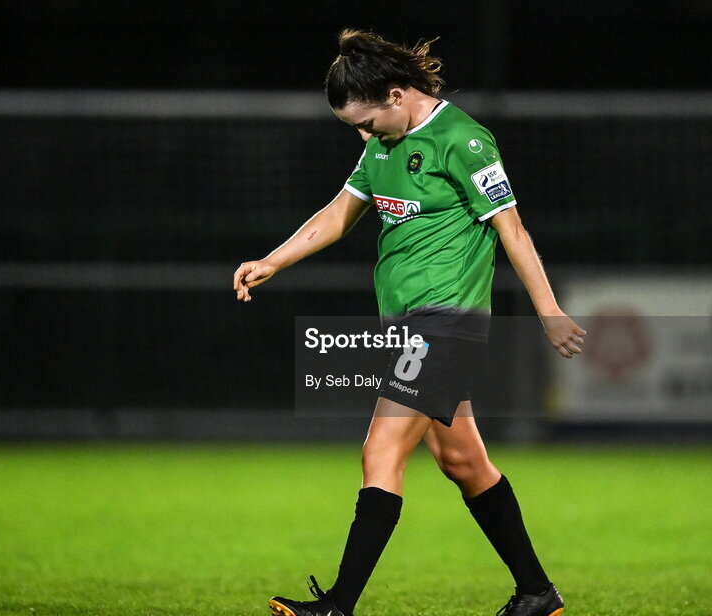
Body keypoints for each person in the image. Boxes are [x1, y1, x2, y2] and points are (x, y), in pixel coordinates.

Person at [233, 29, 585, 616]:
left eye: (367, 123)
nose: (364, 136)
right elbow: (339, 214)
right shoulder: (382, 147)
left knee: (380, 453)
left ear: (397, 96)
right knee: (463, 463)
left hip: (445, 323)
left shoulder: (464, 142)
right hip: (411, 326)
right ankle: (536, 593)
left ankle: (339, 606)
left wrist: (548, 312)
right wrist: (273, 259)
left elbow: (513, 232)